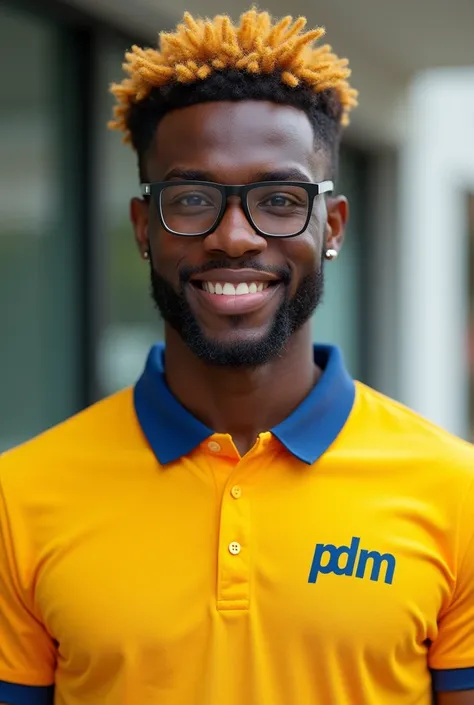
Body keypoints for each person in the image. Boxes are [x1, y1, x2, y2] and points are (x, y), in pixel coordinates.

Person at [0, 9, 473, 705]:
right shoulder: (20, 497)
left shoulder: (456, 494)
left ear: (331, 226)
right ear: (143, 228)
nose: (233, 237)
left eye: (278, 200)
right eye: (191, 198)